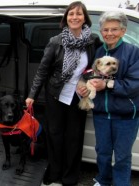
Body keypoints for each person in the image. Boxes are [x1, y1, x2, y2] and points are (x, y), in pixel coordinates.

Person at [25, 1, 102, 185]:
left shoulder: (93, 41)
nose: (74, 17)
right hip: (56, 94)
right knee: (55, 136)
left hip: (78, 97)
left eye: (79, 14)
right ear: (65, 18)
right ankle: (54, 174)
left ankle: (70, 177)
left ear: (85, 18)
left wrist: (88, 83)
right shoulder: (56, 41)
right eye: (71, 14)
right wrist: (32, 95)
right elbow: (42, 71)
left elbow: (95, 68)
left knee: (74, 138)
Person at [82, 11, 139, 186]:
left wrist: (106, 85)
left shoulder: (133, 52)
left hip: (125, 115)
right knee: (103, 153)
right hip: (101, 114)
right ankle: (103, 180)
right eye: (105, 29)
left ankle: (121, 183)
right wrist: (84, 87)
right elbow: (88, 76)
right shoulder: (98, 52)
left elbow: (134, 85)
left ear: (123, 31)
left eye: (114, 29)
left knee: (122, 156)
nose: (109, 33)